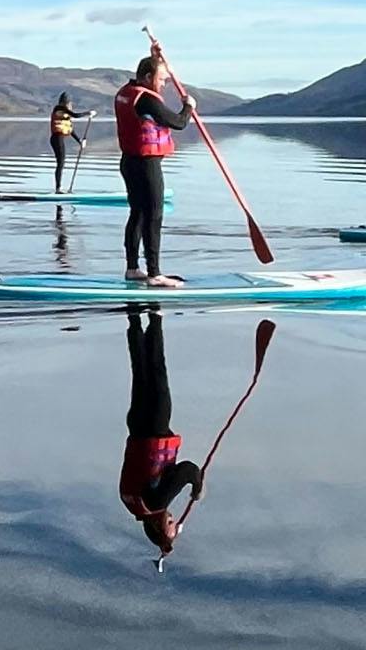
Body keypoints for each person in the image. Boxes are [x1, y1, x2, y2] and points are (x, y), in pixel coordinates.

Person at [120, 308, 203, 560]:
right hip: (136, 426)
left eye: (170, 525)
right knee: (140, 372)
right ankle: (134, 317)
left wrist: (197, 486)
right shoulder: (133, 504)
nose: (173, 519)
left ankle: (155, 317)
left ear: (157, 526)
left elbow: (188, 470)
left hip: (155, 428)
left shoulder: (157, 503)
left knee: (157, 370)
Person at [114, 56, 194, 287]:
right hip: (146, 164)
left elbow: (146, 70)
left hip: (129, 162)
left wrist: (155, 55)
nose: (163, 84)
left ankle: (132, 269)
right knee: (154, 215)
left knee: (138, 214)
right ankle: (155, 274)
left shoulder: (127, 91)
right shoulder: (146, 100)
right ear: (148, 77)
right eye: (161, 80)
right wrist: (189, 106)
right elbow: (179, 122)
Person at [48, 93, 94, 193]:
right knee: (61, 163)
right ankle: (58, 189)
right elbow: (76, 115)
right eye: (69, 103)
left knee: (61, 163)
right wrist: (88, 113)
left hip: (59, 139)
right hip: (56, 139)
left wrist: (79, 141)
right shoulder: (59, 108)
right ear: (66, 103)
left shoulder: (64, 114)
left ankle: (58, 188)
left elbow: (70, 130)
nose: (70, 106)